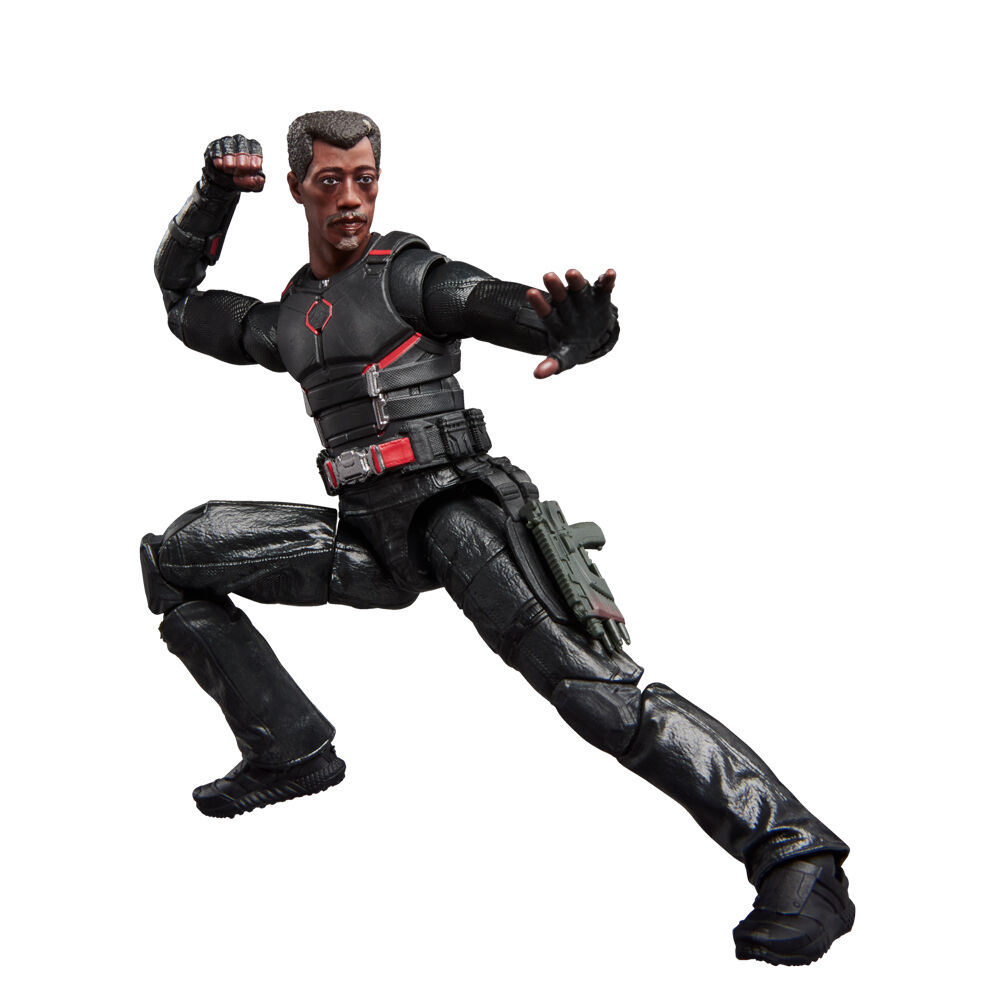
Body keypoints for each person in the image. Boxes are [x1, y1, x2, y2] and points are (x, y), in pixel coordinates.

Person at [141, 110, 855, 965]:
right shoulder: (289, 316)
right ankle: (287, 748)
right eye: (330, 181)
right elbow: (182, 303)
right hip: (367, 535)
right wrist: (213, 195)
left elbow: (504, 306)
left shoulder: (411, 278)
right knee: (179, 557)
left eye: (365, 178)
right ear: (297, 188)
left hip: (456, 513)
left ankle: (798, 856)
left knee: (597, 694)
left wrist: (577, 332)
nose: (351, 199)